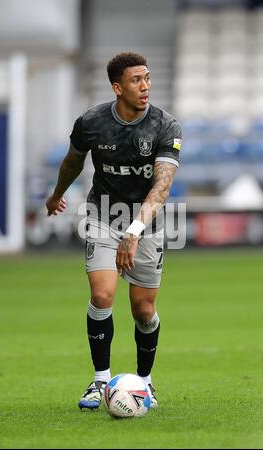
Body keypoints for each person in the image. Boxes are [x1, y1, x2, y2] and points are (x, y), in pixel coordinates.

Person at [46, 52, 182, 410]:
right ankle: (100, 381)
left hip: (146, 224)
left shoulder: (166, 127)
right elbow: (72, 162)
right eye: (137, 80)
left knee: (143, 310)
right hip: (103, 216)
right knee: (103, 296)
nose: (146, 86)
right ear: (117, 87)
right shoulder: (91, 123)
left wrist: (135, 231)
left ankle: (146, 384)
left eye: (148, 78)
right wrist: (57, 195)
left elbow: (162, 188)